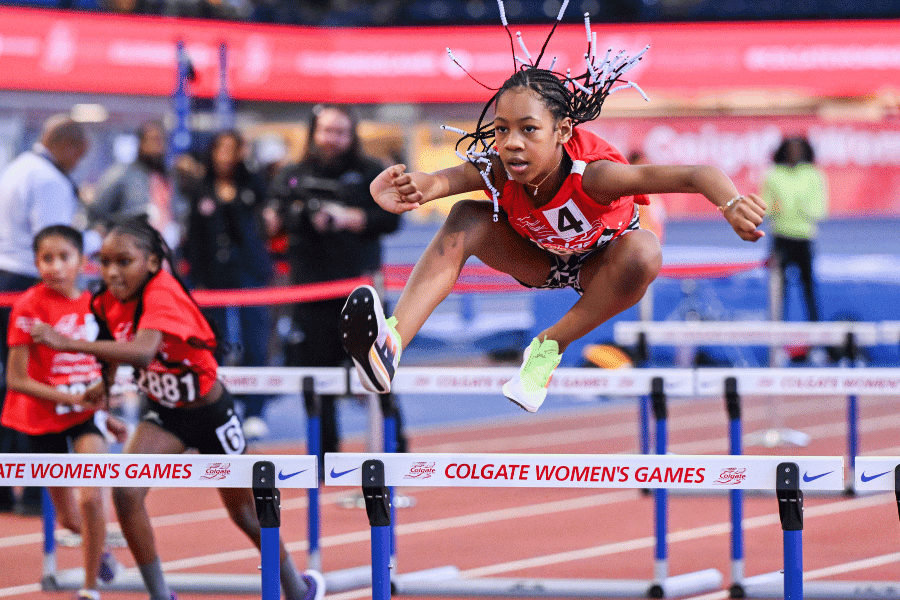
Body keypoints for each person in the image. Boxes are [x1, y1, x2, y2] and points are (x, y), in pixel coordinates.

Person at [339, 9, 765, 414]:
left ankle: (548, 347)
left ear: (562, 131)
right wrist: (403, 189)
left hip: (602, 266)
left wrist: (731, 204)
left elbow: (695, 173)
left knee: (645, 250)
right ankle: (391, 343)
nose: (512, 143)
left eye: (529, 129)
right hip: (539, 260)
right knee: (466, 216)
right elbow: (437, 182)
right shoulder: (498, 168)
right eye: (502, 130)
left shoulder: (596, 176)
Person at [29, 217, 324, 600]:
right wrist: (105, 383)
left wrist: (67, 343)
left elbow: (142, 351)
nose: (112, 272)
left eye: (124, 262)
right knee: (126, 492)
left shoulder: (162, 292)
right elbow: (114, 342)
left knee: (246, 515)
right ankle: (160, 595)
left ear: (152, 262)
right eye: (104, 262)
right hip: (164, 414)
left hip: (210, 414)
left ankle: (297, 587)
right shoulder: (106, 300)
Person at [269, 104, 403, 467]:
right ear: (314, 132)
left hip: (362, 293)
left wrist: (349, 218)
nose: (332, 139)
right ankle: (324, 458)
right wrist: (289, 215)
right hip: (310, 294)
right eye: (326, 130)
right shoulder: (293, 175)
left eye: (340, 132)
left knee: (381, 375)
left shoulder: (371, 172)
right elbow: (271, 219)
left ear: (352, 134)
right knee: (316, 381)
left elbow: (392, 220)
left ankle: (396, 452)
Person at [2, 225, 127, 600]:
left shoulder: (97, 306)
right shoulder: (28, 306)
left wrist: (103, 412)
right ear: (36, 262)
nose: (55, 266)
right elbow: (16, 379)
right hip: (43, 419)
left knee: (91, 498)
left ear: (82, 261)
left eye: (64, 257)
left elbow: (104, 364)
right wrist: (69, 397)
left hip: (85, 418)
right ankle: (101, 554)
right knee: (70, 518)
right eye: (46, 259)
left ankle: (89, 588)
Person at [0, 114, 88, 515]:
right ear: (68, 147)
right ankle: (39, 494)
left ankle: (10, 490)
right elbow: (55, 244)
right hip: (28, 287)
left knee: (10, 385)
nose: (77, 165)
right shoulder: (49, 179)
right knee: (37, 381)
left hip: (9, 281)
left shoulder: (18, 167)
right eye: (78, 157)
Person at [183, 130, 273, 440]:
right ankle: (216, 406)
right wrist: (195, 278)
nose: (224, 156)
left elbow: (261, 225)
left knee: (255, 341)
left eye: (231, 149)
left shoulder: (252, 185)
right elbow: (194, 237)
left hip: (249, 273)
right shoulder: (200, 188)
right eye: (220, 149)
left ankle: (255, 411)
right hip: (211, 278)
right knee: (213, 343)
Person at [89, 121, 186, 254]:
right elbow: (97, 212)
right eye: (153, 140)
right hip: (129, 250)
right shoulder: (122, 174)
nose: (158, 146)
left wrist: (178, 230)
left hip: (165, 252)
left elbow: (181, 211)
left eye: (161, 140)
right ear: (141, 143)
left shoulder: (169, 177)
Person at [760, 135, 828, 322]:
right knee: (778, 289)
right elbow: (765, 206)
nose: (794, 153)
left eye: (798, 150)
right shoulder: (773, 175)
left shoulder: (813, 175)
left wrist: (801, 208)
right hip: (780, 237)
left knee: (809, 286)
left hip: (804, 237)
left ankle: (815, 329)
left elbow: (820, 210)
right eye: (790, 149)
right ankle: (776, 329)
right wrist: (775, 208)